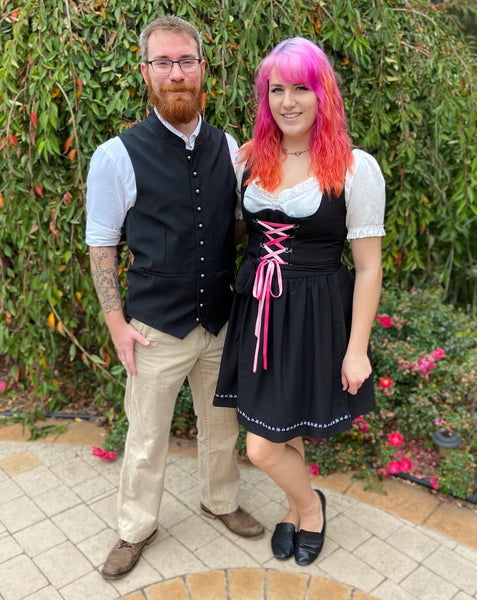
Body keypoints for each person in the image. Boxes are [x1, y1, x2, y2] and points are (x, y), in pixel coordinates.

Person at [85, 15, 264, 580]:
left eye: (185, 61)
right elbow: (101, 247)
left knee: (222, 426)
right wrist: (117, 324)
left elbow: (233, 226)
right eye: (163, 62)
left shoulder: (229, 146)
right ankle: (135, 529)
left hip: (218, 322)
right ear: (146, 73)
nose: (176, 72)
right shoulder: (117, 155)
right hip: (156, 328)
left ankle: (221, 501)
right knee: (145, 439)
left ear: (202, 69)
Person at [214, 37, 385, 566]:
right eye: (277, 90)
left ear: (323, 94)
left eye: (301, 88)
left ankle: (306, 510)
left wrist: (357, 350)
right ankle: (305, 505)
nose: (288, 101)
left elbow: (368, 266)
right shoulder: (249, 157)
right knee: (272, 435)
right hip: (260, 311)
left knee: (265, 445)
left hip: (314, 312)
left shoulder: (355, 167)